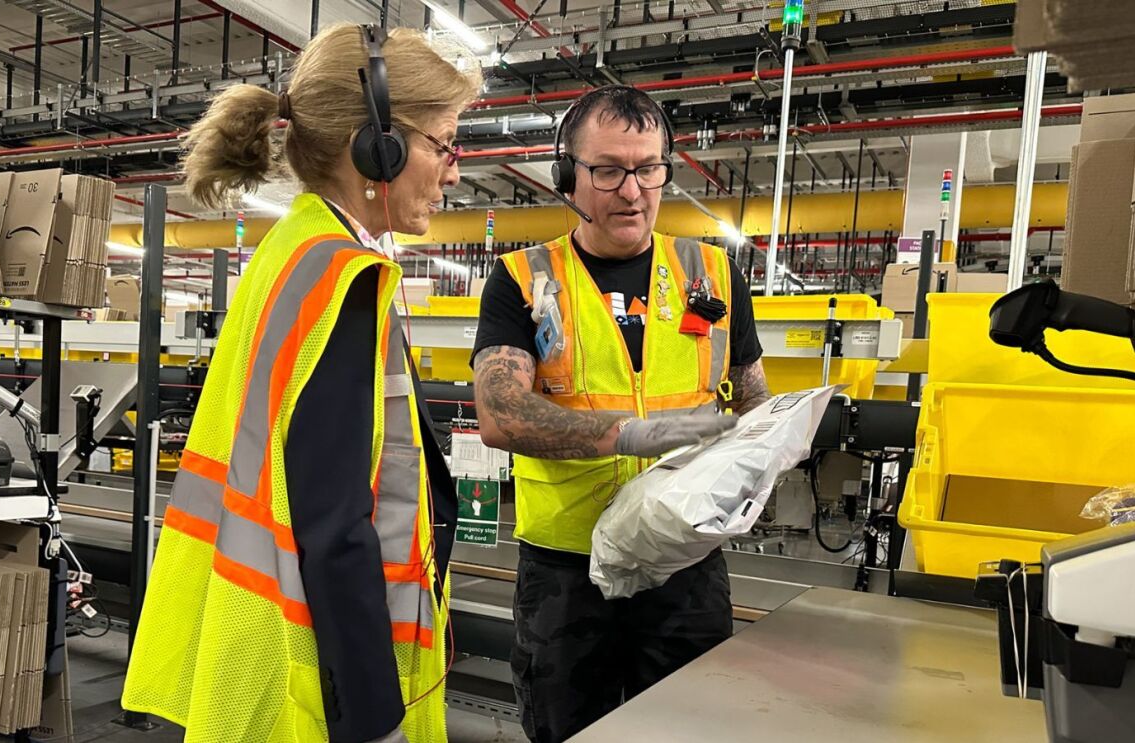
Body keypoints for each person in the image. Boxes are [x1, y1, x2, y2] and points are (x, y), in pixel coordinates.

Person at [122, 24, 480, 743]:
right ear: (375, 146)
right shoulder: (340, 276)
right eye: (444, 143)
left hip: (256, 639)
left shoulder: (290, 251)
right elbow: (336, 528)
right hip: (307, 676)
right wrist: (377, 721)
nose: (455, 171)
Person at [471, 85, 771, 743]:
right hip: (566, 575)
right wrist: (628, 433)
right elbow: (500, 412)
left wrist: (760, 458)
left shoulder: (714, 276)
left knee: (690, 732)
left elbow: (751, 400)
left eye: (648, 168)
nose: (632, 190)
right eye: (608, 170)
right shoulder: (523, 279)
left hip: (684, 567)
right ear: (567, 178)